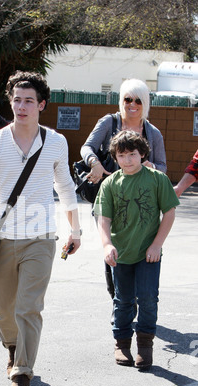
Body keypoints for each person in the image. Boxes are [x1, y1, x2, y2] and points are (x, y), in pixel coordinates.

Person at [0, 70, 81, 386]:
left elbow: (66, 190)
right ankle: (14, 351)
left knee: (29, 307)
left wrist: (75, 230)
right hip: (2, 238)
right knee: (4, 310)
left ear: (42, 105)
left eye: (29, 100)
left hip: (41, 239)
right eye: (16, 99)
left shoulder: (56, 143)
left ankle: (21, 377)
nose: (21, 106)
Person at [95, 130, 179, 370]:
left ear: (142, 154)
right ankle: (121, 343)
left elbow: (169, 212)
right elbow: (103, 218)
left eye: (132, 154)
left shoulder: (156, 179)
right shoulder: (110, 183)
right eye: (121, 155)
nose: (128, 160)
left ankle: (145, 345)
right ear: (115, 158)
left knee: (148, 298)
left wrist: (157, 244)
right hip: (120, 254)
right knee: (123, 300)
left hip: (148, 254)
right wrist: (106, 244)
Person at [80, 78, 167, 306]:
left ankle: (137, 301)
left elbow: (163, 166)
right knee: (112, 247)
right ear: (122, 101)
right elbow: (87, 146)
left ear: (145, 103)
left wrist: (153, 168)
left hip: (141, 203)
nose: (133, 104)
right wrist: (94, 162)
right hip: (111, 195)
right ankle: (119, 301)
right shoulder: (110, 122)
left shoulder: (152, 132)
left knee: (141, 249)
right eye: (128, 99)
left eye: (138, 100)